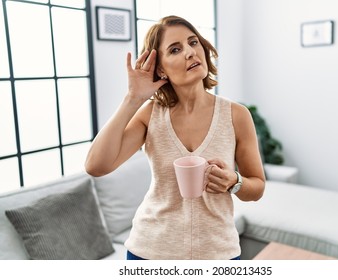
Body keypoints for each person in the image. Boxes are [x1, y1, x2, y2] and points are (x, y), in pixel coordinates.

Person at [85, 15, 266, 260]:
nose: (190, 52)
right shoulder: (150, 115)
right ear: (160, 68)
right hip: (149, 251)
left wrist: (233, 181)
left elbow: (257, 187)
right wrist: (133, 98)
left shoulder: (237, 115)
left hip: (218, 253)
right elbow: (96, 166)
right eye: (175, 49)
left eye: (193, 42)